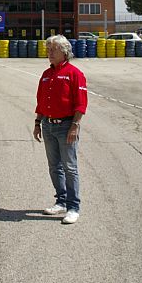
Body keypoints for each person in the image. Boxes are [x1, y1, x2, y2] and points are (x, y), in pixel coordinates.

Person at [33, 34, 88, 224]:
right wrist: (37, 123)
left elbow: (81, 104)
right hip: (48, 125)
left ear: (64, 52)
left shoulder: (74, 74)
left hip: (66, 126)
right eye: (48, 50)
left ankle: (73, 207)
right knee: (54, 166)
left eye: (53, 50)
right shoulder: (46, 75)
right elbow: (41, 102)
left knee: (70, 167)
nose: (49, 53)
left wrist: (74, 126)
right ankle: (61, 201)